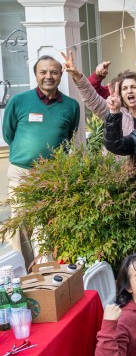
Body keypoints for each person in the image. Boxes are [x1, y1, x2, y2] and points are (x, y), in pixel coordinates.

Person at [2, 55, 80, 264]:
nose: (48, 76)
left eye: (54, 72)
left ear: (61, 74)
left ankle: (46, 268)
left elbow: (69, 137)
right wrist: (26, 153)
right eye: (43, 72)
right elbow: (8, 133)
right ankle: (22, 269)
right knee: (20, 223)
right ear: (35, 75)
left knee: (45, 223)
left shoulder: (71, 106)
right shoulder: (19, 101)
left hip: (52, 174)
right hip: (21, 173)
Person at [62, 50, 136, 136]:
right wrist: (76, 75)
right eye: (125, 88)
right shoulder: (114, 112)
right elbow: (91, 97)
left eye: (133, 87)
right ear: (121, 95)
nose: (129, 91)